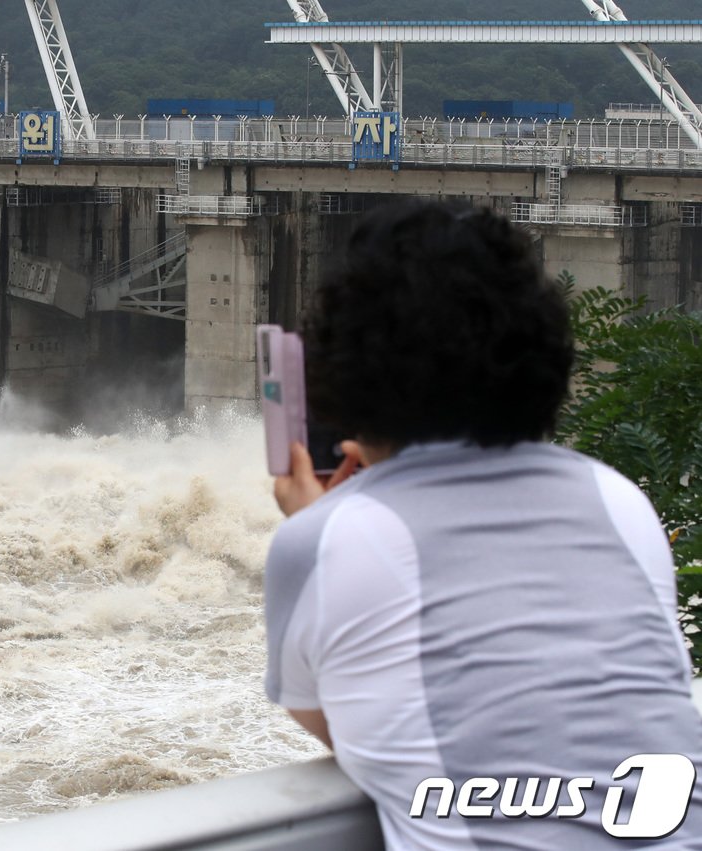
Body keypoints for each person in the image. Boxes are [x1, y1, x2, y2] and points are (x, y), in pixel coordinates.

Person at [263, 200, 702, 848]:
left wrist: (322, 519)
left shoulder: (323, 539)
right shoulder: (619, 499)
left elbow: (342, 722)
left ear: (344, 369)